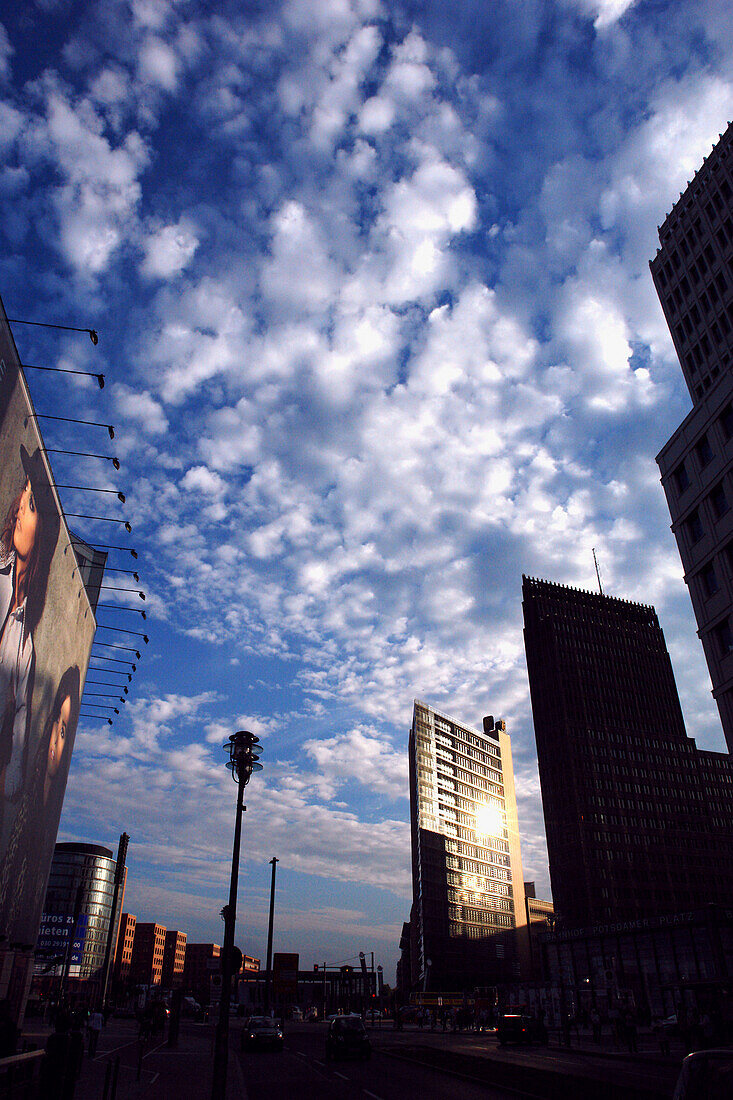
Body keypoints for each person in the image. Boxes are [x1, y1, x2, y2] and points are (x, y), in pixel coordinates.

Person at [0, 445, 59, 845]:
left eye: (32, 502)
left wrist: (15, 770)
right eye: (23, 496)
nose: (20, 506)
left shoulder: (24, 639)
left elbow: (22, 711)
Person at [0, 667, 81, 936]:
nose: (55, 741)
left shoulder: (44, 828)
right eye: (56, 722)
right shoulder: (16, 813)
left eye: (64, 731)